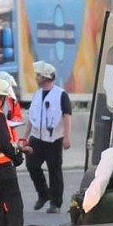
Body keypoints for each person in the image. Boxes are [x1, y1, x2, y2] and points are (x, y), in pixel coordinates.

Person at [23, 60, 72, 213]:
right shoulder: (37, 95)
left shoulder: (61, 95)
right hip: (37, 137)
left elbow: (67, 116)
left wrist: (66, 137)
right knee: (31, 165)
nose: (36, 78)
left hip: (54, 138)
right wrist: (25, 137)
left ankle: (55, 203)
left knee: (54, 170)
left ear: (45, 77)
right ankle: (43, 194)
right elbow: (32, 117)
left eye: (38, 75)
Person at [0, 79, 25, 226]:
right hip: (4, 168)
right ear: (0, 98)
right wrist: (17, 156)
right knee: (13, 207)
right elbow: (4, 143)